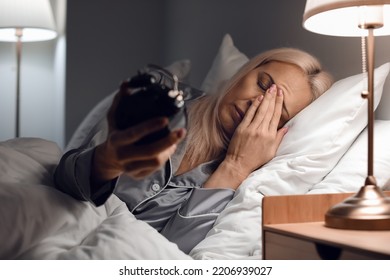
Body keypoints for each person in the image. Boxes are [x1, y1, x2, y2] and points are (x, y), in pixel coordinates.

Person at [53, 48, 333, 254]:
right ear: (244, 72)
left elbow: (171, 255)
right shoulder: (166, 104)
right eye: (262, 83)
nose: (255, 104)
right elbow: (64, 179)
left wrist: (234, 167)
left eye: (275, 110)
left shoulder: (249, 182)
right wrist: (107, 161)